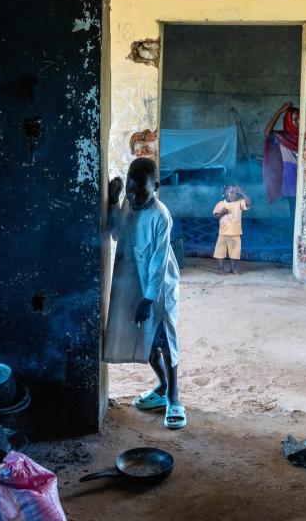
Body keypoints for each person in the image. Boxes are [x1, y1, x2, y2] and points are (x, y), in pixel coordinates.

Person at [104, 157, 185, 429]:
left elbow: (158, 263)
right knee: (146, 344)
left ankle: (174, 398)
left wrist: (148, 299)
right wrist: (113, 202)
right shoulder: (129, 204)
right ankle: (162, 387)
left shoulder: (160, 216)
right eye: (131, 192)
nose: (136, 198)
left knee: (164, 343)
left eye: (142, 193)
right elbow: (116, 233)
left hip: (158, 291)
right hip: (136, 286)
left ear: (156, 187)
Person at [263, 101, 301, 203]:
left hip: (305, 179)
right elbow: (267, 133)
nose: (298, 123)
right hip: (290, 180)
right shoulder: (282, 137)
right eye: (294, 120)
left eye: (299, 119)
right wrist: (279, 112)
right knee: (293, 207)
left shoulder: (304, 137)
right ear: (288, 121)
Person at [212, 185, 252, 274]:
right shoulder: (220, 204)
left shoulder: (239, 203)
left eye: (236, 193)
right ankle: (220, 269)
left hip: (236, 233)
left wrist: (242, 193)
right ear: (225, 193)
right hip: (223, 233)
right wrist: (222, 213)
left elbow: (249, 203)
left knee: (234, 253)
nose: (234, 195)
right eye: (231, 192)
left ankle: (233, 269)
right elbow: (216, 216)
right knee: (221, 252)